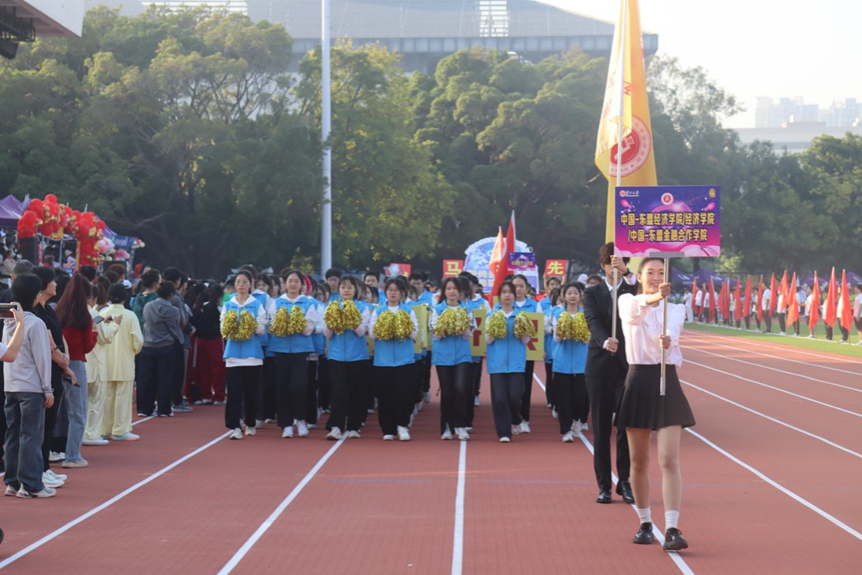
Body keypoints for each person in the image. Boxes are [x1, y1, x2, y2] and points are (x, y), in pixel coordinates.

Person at [617, 258, 695, 551]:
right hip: (638, 380)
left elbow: (673, 331)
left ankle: (672, 528)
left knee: (668, 458)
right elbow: (635, 312)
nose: (655, 277)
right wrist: (652, 298)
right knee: (638, 460)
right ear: (638, 276)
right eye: (650, 272)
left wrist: (668, 339)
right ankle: (645, 522)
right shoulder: (627, 301)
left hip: (666, 380)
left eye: (661, 272)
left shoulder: (675, 309)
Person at [583, 243, 634, 505]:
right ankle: (604, 485)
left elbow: (643, 295)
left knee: (625, 425)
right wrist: (605, 341)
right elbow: (592, 321)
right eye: (610, 265)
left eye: (619, 264)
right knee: (601, 428)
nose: (614, 269)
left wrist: (627, 273)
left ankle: (624, 481)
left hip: (627, 366)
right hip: (599, 366)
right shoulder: (592, 293)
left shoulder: (632, 290)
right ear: (603, 266)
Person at [4, 276, 55, 498]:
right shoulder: (36, 324)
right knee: (31, 436)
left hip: (11, 386)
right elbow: (42, 359)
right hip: (31, 388)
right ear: (35, 296)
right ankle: (31, 484)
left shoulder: (8, 323)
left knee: (13, 435)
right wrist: (48, 388)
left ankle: (13, 482)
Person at [268, 270, 322, 438]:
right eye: (290, 281)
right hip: (281, 349)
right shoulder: (277, 303)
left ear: (301, 285)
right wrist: (282, 324)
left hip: (301, 350)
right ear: (285, 284)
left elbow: (310, 328)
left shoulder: (307, 303)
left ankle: (300, 419)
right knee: (282, 386)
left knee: (299, 385)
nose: (293, 284)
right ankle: (286, 424)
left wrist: (298, 323)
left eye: (296, 281)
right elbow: (272, 326)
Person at [30, 267, 69, 485]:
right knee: (42, 425)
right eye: (52, 281)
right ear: (43, 284)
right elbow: (47, 342)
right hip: (45, 372)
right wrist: (61, 359)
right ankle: (40, 469)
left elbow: (59, 337)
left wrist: (65, 360)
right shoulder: (36, 312)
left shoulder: (48, 309)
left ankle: (45, 466)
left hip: (56, 369)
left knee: (49, 423)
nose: (55, 284)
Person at [55, 274, 98, 469]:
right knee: (78, 412)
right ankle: (72, 454)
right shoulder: (84, 316)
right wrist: (95, 333)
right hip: (76, 364)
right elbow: (87, 346)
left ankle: (56, 449)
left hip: (57, 362)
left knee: (59, 411)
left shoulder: (59, 311)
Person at [369, 278, 419, 442]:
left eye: (396, 290)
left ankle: (402, 425)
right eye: (390, 290)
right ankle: (387, 429)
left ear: (402, 293)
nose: (393, 293)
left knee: (404, 394)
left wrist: (402, 327)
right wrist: (385, 326)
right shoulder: (378, 311)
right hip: (383, 361)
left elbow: (415, 333)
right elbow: (372, 333)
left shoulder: (408, 311)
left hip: (405, 360)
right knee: (385, 396)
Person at [221, 270, 267, 440]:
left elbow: (261, 329)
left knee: (251, 392)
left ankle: (251, 422)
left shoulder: (257, 304)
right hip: (233, 356)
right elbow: (223, 328)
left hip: (252, 356)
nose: (241, 285)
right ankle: (234, 426)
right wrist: (231, 325)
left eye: (244, 282)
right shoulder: (228, 304)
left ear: (250, 284)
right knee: (234, 393)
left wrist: (250, 323)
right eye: (238, 282)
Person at [324, 276, 372, 440]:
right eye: (343, 287)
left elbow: (361, 332)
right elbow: (327, 333)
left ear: (356, 290)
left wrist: (351, 318)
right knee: (338, 392)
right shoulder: (332, 306)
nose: (346, 290)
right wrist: (332, 323)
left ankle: (354, 426)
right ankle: (336, 426)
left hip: (358, 357)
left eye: (350, 287)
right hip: (336, 356)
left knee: (356, 392)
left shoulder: (363, 308)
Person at [431, 277, 475, 441]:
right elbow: (436, 335)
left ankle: (461, 425)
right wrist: (446, 323)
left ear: (460, 291)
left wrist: (461, 326)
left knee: (461, 389)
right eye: (448, 288)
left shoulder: (466, 309)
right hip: (443, 356)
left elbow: (469, 333)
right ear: (444, 291)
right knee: (447, 393)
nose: (451, 292)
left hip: (462, 355)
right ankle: (446, 427)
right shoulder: (437, 310)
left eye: (454, 288)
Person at [485, 281, 529, 443]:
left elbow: (525, 341)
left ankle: (516, 418)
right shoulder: (492, 315)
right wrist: (495, 328)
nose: (507, 295)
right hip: (497, 363)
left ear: (514, 295)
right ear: (499, 296)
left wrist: (522, 330)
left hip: (516, 362)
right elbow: (488, 340)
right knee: (499, 398)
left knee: (515, 396)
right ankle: (503, 432)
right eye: (504, 292)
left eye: (510, 292)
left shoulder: (521, 315)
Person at [101, 284, 143, 441]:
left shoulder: (102, 314)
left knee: (106, 398)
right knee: (123, 398)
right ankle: (120, 429)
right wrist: (133, 351)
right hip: (124, 361)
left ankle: (104, 429)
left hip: (105, 362)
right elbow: (138, 340)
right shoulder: (130, 315)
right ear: (125, 297)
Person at [552, 281, 590, 442]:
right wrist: (564, 329)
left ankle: (576, 420)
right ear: (564, 296)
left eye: (575, 293)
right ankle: (566, 430)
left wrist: (581, 332)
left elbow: (588, 339)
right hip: (562, 361)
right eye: (569, 293)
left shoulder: (586, 314)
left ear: (580, 296)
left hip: (582, 362)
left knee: (581, 396)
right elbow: (556, 339)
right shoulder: (557, 313)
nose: (572, 296)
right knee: (564, 398)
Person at [500, 274, 538, 434]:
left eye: (521, 286)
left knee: (525, 387)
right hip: (508, 353)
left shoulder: (534, 305)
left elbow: (540, 327)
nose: (518, 289)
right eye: (515, 286)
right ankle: (510, 418)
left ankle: (524, 419)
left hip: (529, 351)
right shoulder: (505, 305)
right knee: (507, 389)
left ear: (527, 288)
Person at [138, 282, 182, 418]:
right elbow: (175, 328)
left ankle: (144, 408)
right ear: (171, 294)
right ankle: (164, 409)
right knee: (165, 379)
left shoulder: (148, 306)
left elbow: (145, 322)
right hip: (166, 346)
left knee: (146, 378)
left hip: (147, 345)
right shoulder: (174, 311)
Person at [83, 284, 119, 446]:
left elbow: (96, 323)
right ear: (92, 298)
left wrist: (105, 320)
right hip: (95, 361)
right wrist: (115, 324)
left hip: (81, 362)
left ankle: (81, 432)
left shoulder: (74, 310)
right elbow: (105, 336)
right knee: (96, 400)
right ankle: (91, 434)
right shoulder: (93, 312)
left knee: (80, 402)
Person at [189, 284, 226, 406]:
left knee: (203, 368)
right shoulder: (219, 309)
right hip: (215, 340)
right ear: (220, 297)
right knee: (218, 369)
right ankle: (219, 396)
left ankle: (205, 395)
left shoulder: (199, 307)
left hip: (201, 341)